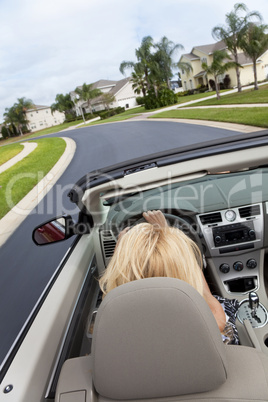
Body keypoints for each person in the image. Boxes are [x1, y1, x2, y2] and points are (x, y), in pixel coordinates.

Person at [99, 210, 239, 345]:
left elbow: (112, 291)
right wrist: (171, 239)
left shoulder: (114, 330)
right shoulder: (210, 326)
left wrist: (121, 252)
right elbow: (208, 299)